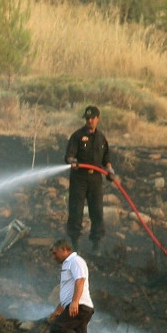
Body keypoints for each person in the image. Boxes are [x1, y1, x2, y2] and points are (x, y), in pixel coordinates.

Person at [65, 105, 118, 255]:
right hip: (79, 179)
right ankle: (75, 242)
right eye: (87, 118)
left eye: (92, 118)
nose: (89, 121)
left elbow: (106, 159)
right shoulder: (77, 136)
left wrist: (109, 170)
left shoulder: (102, 139)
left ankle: (97, 244)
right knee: (76, 210)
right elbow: (69, 155)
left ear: (98, 119)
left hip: (95, 179)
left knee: (97, 211)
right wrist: (72, 161)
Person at [47, 238, 99, 333]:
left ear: (64, 249)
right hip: (77, 306)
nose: (54, 257)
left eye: (55, 253)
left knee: (56, 329)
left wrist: (75, 302)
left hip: (80, 307)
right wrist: (59, 310)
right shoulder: (67, 264)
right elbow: (68, 292)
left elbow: (80, 280)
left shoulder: (76, 261)